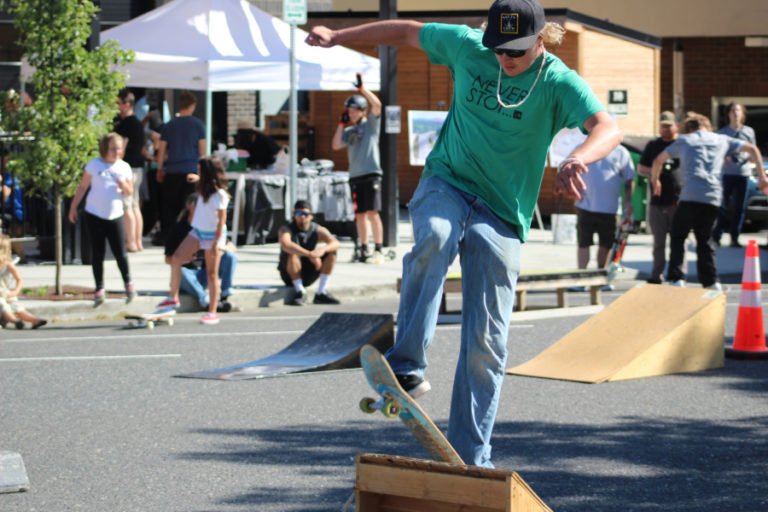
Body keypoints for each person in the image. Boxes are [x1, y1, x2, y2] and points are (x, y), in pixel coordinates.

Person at [306, 0, 622, 467]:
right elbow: (407, 30)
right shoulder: (467, 46)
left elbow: (607, 126)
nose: (505, 58)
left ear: (541, 40)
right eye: (498, 48)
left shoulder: (558, 81)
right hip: (448, 182)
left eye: (516, 50)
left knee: (486, 343)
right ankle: (408, 364)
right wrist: (339, 36)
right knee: (433, 236)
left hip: (503, 212)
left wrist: (579, 158)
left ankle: (471, 457)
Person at [651, 112, 768, 289]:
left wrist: (655, 180)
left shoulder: (685, 140)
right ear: (707, 126)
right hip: (712, 197)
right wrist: (762, 177)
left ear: (689, 128)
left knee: (678, 236)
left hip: (690, 195)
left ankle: (676, 278)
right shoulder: (722, 140)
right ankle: (710, 281)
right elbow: (753, 149)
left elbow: (658, 161)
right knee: (705, 240)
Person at [158, 156, 230, 325]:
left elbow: (222, 220)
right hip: (198, 231)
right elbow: (204, 182)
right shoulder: (203, 188)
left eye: (200, 170)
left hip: (214, 236)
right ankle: (173, 297)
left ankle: (212, 312)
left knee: (212, 274)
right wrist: (197, 178)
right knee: (176, 259)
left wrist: (216, 243)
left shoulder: (220, 195)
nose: (197, 172)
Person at [68, 133, 136, 306]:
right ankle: (99, 286)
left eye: (119, 149)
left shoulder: (124, 167)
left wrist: (124, 186)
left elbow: (130, 191)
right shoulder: (94, 165)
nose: (116, 152)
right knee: (97, 253)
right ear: (105, 148)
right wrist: (73, 207)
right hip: (95, 213)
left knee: (120, 252)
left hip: (115, 214)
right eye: (113, 148)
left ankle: (128, 283)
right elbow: (83, 186)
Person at [331, 74, 385, 263]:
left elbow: (377, 105)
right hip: (355, 176)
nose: (352, 114)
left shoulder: (370, 125)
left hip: (371, 174)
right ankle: (363, 248)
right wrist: (341, 123)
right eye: (349, 111)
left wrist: (362, 89)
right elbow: (336, 145)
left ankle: (379, 249)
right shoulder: (349, 131)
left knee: (372, 213)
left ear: (362, 111)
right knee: (360, 215)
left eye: (355, 111)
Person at [164, 193, 237, 313]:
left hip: (205, 272)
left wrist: (218, 247)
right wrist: (183, 259)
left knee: (230, 257)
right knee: (181, 269)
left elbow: (232, 247)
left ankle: (224, 295)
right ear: (192, 208)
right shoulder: (179, 229)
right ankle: (205, 300)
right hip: (188, 274)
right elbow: (169, 258)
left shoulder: (209, 227)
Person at [637, 111, 683, 284]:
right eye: (662, 125)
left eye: (668, 126)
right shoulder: (653, 145)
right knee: (659, 242)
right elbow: (641, 169)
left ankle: (678, 275)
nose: (665, 129)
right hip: (657, 200)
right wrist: (656, 171)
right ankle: (657, 275)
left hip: (679, 200)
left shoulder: (682, 144)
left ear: (676, 126)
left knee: (679, 240)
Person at [155, 91, 206, 245]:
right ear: (192, 106)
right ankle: (187, 236)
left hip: (172, 171)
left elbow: (162, 150)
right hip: (190, 171)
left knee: (170, 207)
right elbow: (203, 152)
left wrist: (159, 168)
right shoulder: (198, 125)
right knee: (190, 206)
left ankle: (169, 236)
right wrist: (202, 172)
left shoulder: (170, 125)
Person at [574, 144, 635, 272]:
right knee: (583, 243)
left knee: (606, 244)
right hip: (585, 205)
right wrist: (575, 190)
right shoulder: (583, 147)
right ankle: (581, 276)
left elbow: (629, 178)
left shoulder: (621, 152)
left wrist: (628, 202)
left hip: (610, 208)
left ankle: (601, 276)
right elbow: (571, 170)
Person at [278, 200, 342, 306]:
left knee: (332, 252)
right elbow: (286, 244)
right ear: (294, 215)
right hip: (289, 274)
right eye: (299, 213)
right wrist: (310, 254)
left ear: (311, 216)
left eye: (306, 214)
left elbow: (336, 243)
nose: (302, 217)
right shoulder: (286, 229)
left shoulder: (317, 229)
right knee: (292, 253)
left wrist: (321, 251)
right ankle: (300, 292)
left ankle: (322, 292)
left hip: (309, 271)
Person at [713, 102, 757, 248]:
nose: (735, 113)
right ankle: (717, 235)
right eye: (732, 111)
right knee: (723, 205)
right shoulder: (723, 133)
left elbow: (753, 150)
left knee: (740, 207)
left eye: (738, 110)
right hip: (727, 173)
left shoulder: (749, 132)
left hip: (743, 173)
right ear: (728, 114)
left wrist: (750, 158)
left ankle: (734, 237)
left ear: (742, 113)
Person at [114, 89, 146, 252]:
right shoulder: (137, 123)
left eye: (118, 103)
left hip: (129, 168)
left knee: (128, 206)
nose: (116, 107)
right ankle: (137, 241)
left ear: (127, 104)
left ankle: (131, 242)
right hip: (137, 167)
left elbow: (122, 147)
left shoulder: (127, 124)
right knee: (134, 205)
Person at [0, 233, 46, 329]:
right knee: (2, 304)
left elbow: (19, 280)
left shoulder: (8, 265)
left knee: (17, 307)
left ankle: (34, 320)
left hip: (7, 293)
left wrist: (15, 291)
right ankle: (15, 321)